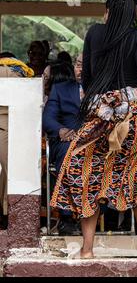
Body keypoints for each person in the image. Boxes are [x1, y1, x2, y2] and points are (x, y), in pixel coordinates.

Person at [50, 0, 137, 259]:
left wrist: (95, 104)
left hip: (99, 117)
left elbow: (87, 78)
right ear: (134, 12)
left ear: (108, 10)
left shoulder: (95, 33)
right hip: (133, 121)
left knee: (89, 180)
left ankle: (87, 250)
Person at [43, 59, 82, 235]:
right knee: (69, 153)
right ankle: (67, 218)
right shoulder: (61, 88)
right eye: (78, 64)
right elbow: (47, 118)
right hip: (66, 141)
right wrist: (60, 130)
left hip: (96, 141)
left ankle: (95, 214)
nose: (80, 69)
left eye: (85, 64)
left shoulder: (103, 88)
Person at [0, 53, 34, 227]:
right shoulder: (19, 72)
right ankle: (7, 213)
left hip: (5, 125)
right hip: (13, 126)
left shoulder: (6, 70)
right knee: (10, 170)